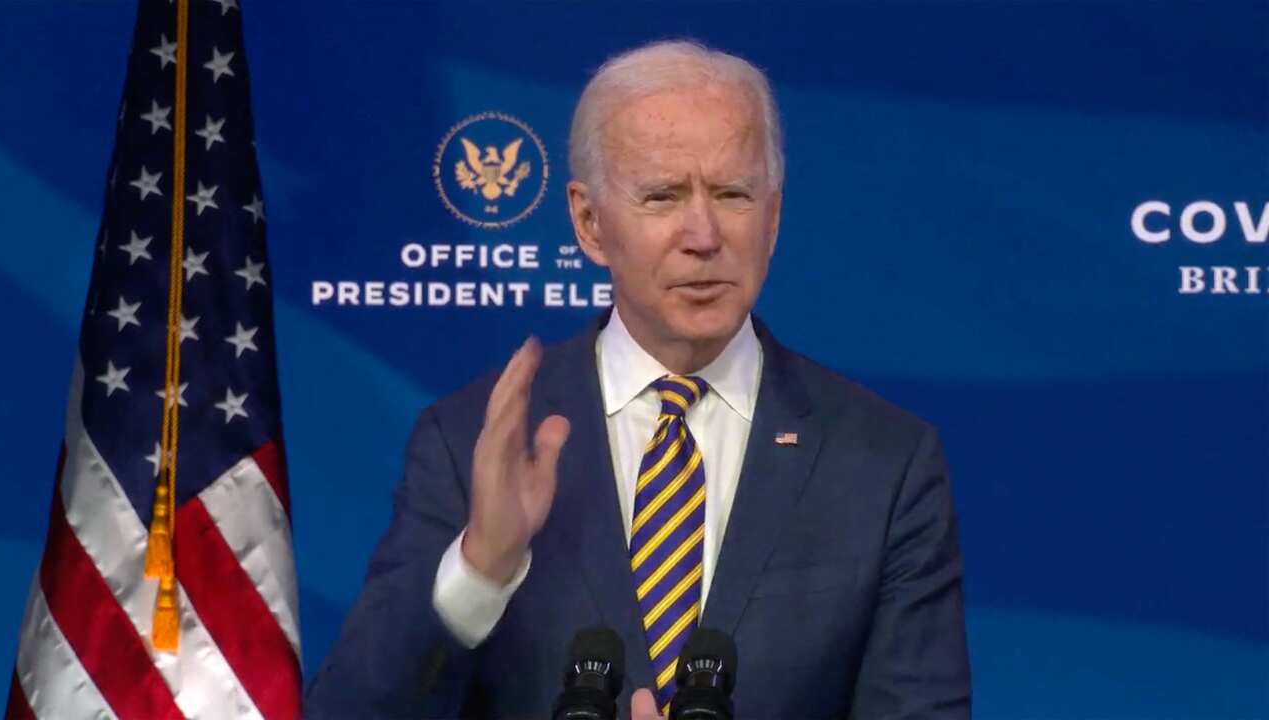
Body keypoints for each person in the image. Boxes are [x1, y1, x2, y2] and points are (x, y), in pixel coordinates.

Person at [306, 40, 970, 719]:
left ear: (772, 218)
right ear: (590, 223)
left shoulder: (883, 464)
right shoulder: (468, 444)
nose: (704, 234)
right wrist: (479, 569)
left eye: (733, 194)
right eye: (663, 196)